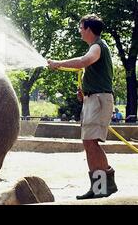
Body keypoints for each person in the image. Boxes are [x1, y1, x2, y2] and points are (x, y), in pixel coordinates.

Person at [48, 14, 117, 200]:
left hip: (99, 101)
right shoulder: (96, 47)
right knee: (89, 143)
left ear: (88, 28)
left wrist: (58, 64)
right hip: (92, 99)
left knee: (91, 143)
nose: (79, 31)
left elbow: (83, 61)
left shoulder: (97, 46)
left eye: (81, 27)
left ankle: (104, 185)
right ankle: (100, 186)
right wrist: (85, 92)